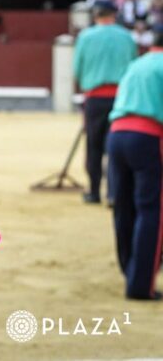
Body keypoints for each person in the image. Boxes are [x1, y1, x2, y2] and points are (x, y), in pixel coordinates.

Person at [106, 31, 163, 301]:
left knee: (124, 207)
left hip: (117, 136)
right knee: (151, 209)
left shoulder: (136, 64)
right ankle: (141, 285)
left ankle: (130, 270)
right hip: (148, 137)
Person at [73, 2, 137, 204]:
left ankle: (94, 192)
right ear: (114, 15)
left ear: (95, 15)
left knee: (94, 146)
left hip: (94, 98)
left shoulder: (86, 37)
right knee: (114, 147)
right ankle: (113, 193)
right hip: (121, 99)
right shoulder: (126, 37)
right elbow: (133, 67)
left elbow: (77, 70)